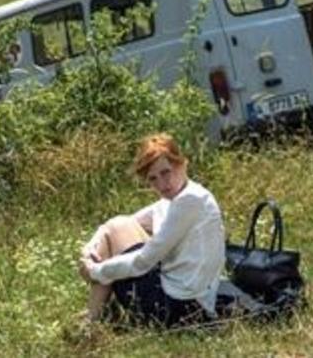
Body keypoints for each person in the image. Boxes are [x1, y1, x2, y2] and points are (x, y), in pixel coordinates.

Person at [78, 134, 225, 326]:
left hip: (182, 309)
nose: (162, 184)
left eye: (166, 172)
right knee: (118, 225)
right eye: (153, 179)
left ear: (182, 164)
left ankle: (91, 320)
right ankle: (93, 316)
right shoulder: (176, 198)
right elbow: (122, 223)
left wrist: (95, 272)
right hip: (181, 298)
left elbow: (143, 262)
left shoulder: (190, 201)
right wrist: (90, 247)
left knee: (118, 232)